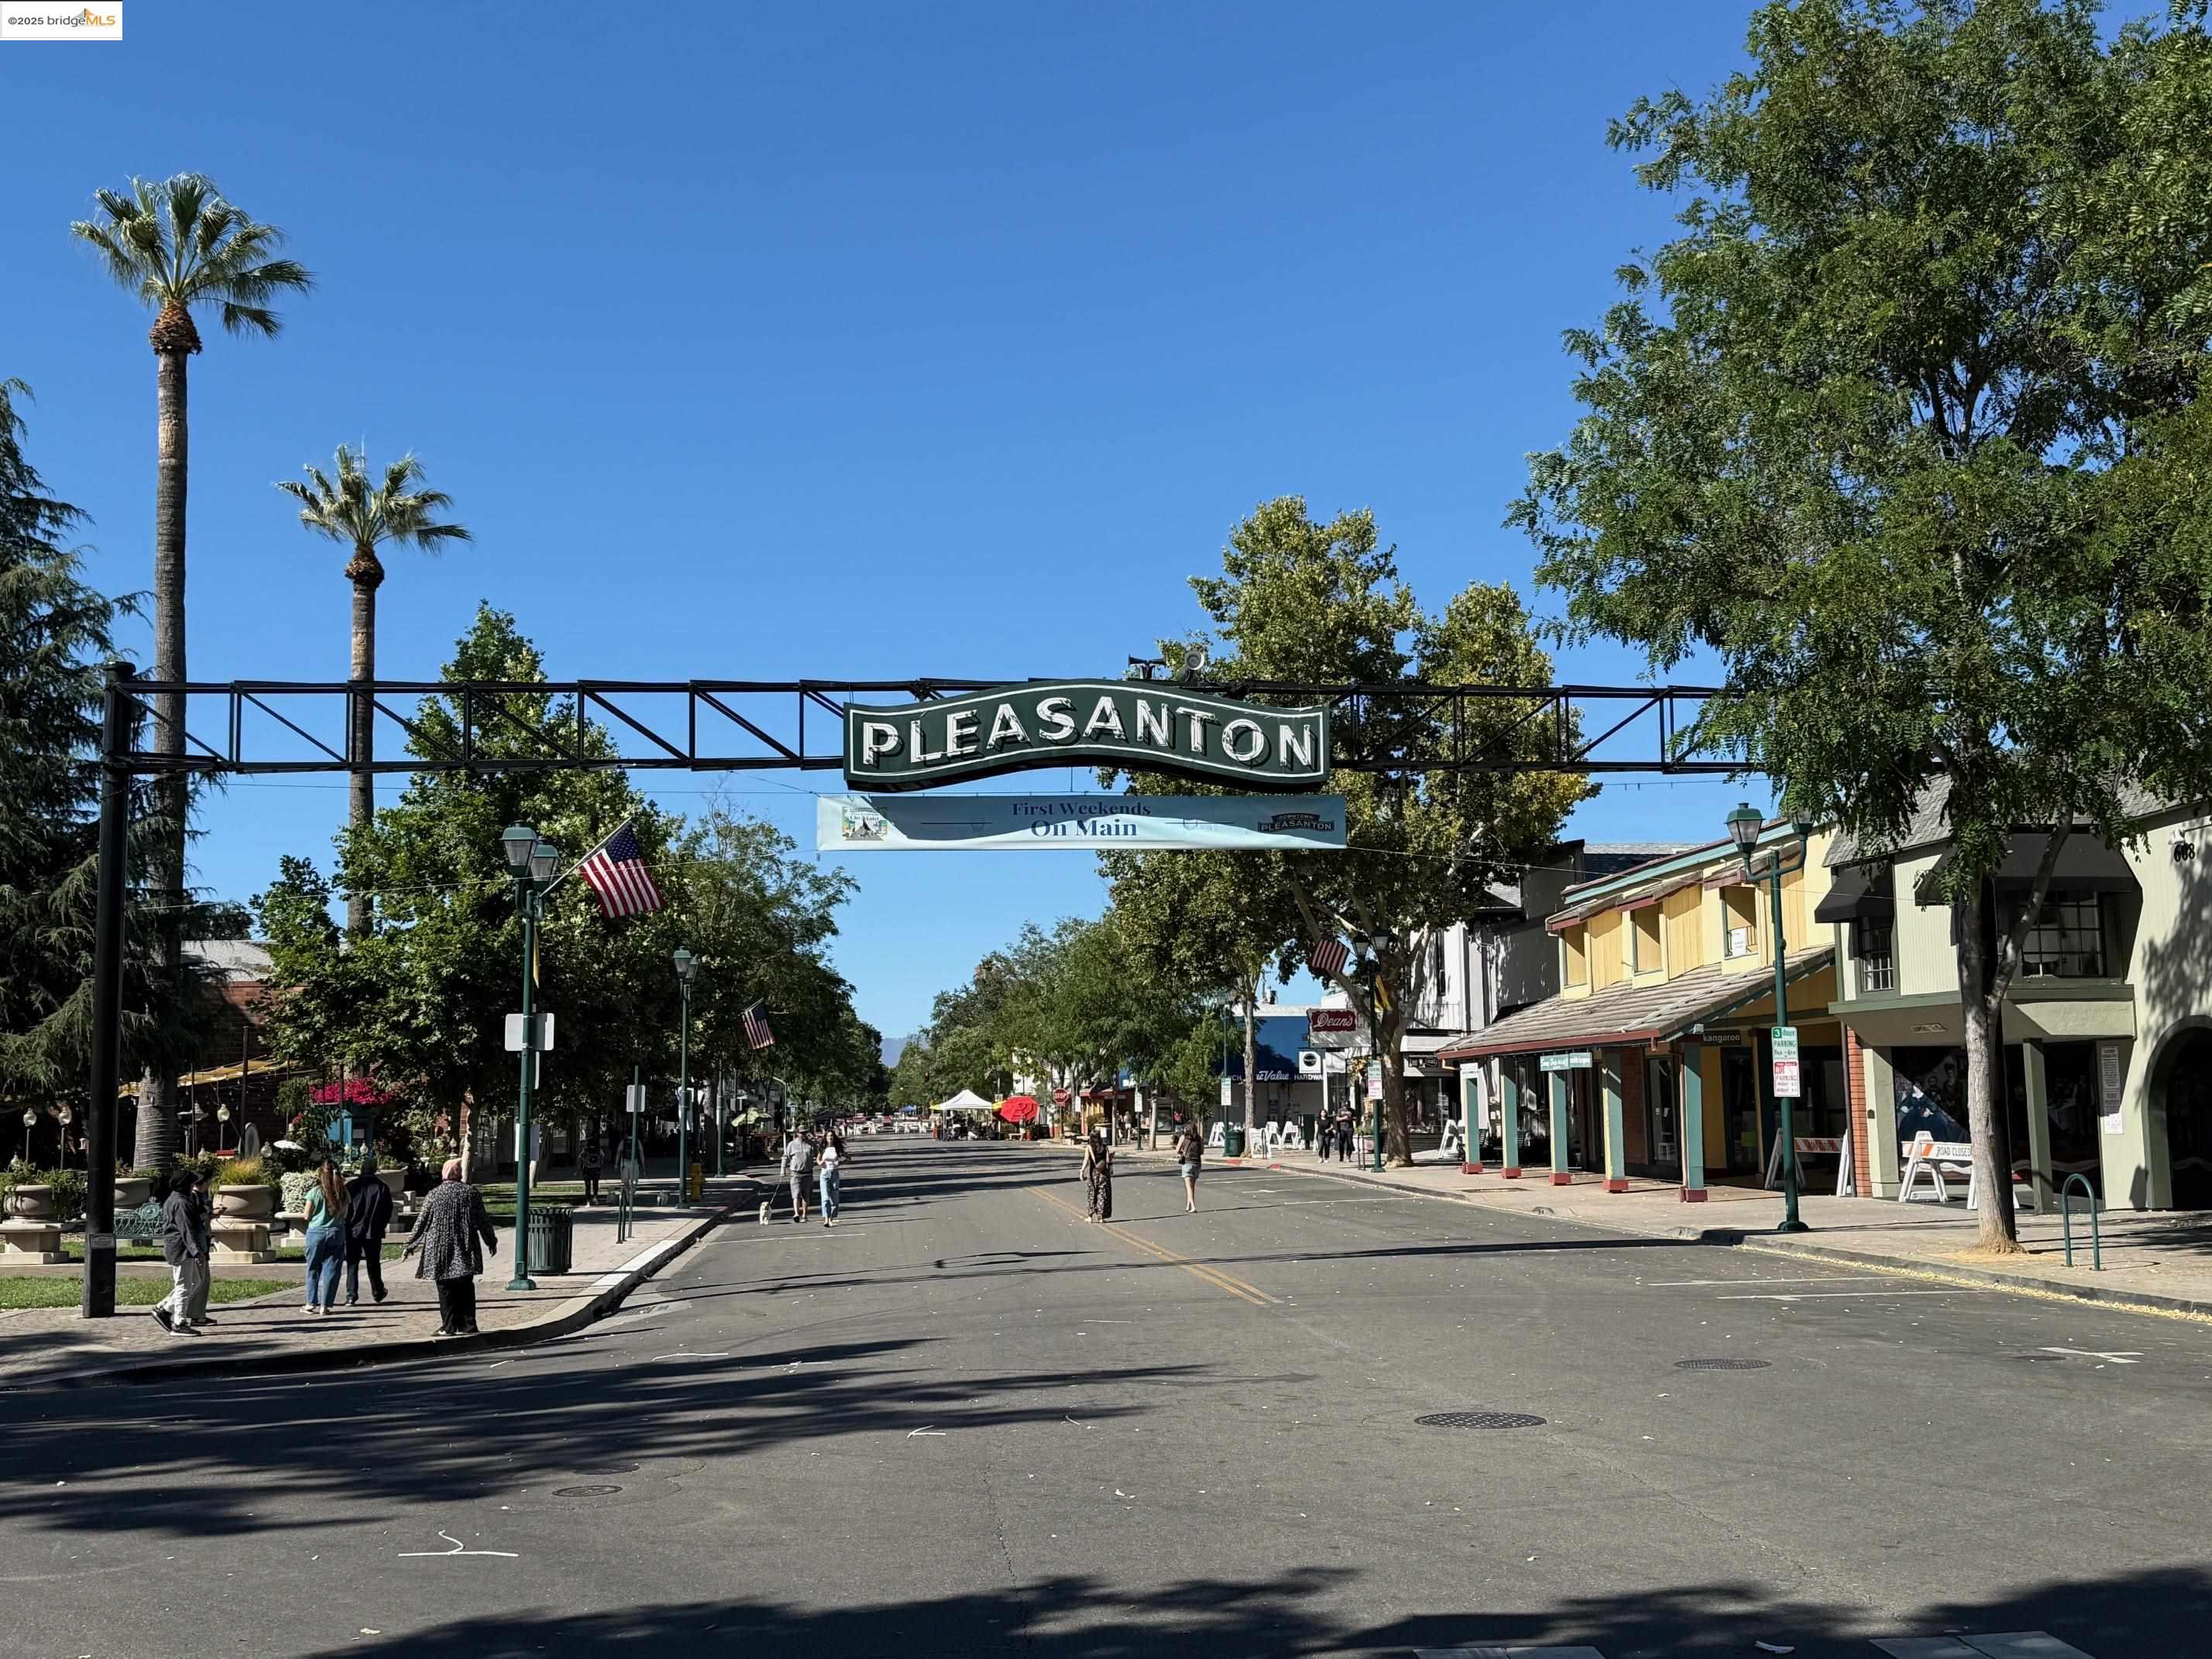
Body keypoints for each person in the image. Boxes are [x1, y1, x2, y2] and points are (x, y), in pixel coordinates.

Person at [402, 1157, 498, 1336]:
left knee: (445, 1287)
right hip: (464, 1244)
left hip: (440, 1247)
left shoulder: (434, 1194)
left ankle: (449, 1326)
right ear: (459, 1173)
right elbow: (482, 1220)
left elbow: (422, 1222)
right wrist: (490, 1240)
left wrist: (410, 1245)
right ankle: (469, 1325)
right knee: (465, 1286)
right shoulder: (470, 1193)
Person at [149, 1167, 208, 1336]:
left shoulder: (176, 1199)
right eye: (191, 1183)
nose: (193, 1186)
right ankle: (179, 1323)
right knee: (183, 1286)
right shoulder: (181, 1203)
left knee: (195, 1282)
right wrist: (197, 1251)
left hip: (181, 1248)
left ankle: (165, 1310)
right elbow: (186, 1230)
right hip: (181, 1249)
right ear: (185, 1185)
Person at [343, 1155, 394, 1307]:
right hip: (373, 1230)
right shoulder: (382, 1187)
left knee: (352, 1263)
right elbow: (388, 1210)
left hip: (353, 1230)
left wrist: (347, 1223)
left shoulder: (351, 1185)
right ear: (375, 1169)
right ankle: (377, 1292)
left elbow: (345, 1208)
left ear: (362, 1169)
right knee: (373, 1263)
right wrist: (381, 1225)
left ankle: (351, 1295)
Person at [301, 1156, 348, 1315]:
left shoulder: (315, 1192)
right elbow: (345, 1214)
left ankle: (310, 1303)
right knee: (332, 1270)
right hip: (337, 1231)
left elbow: (307, 1215)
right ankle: (325, 1305)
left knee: (313, 1268)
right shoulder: (343, 1192)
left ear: (322, 1173)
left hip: (316, 1232)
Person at [1080, 1128, 1114, 1222]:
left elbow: (1086, 1160)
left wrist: (1082, 1171)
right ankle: (1100, 1217)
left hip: (1093, 1174)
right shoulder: (1105, 1147)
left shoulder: (1089, 1148)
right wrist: (1111, 1171)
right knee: (1102, 1195)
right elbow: (1108, 1161)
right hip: (1104, 1174)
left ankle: (1090, 1217)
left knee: (1092, 1194)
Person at [782, 1129, 815, 1223]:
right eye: (802, 1133)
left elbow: (819, 1154)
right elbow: (786, 1157)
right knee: (796, 1194)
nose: (804, 1134)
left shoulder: (811, 1144)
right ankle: (796, 1214)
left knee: (806, 1195)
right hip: (796, 1173)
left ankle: (804, 1215)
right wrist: (783, 1169)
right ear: (797, 1134)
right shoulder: (791, 1144)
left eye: (805, 1132)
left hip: (808, 1173)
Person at [1175, 1121, 1204, 1214]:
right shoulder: (1199, 1138)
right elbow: (1202, 1152)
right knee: (1192, 1186)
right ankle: (1188, 1205)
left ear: (1186, 1129)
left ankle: (1193, 1207)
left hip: (1187, 1163)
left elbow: (1177, 1150)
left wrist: (1183, 1153)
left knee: (1188, 1187)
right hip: (1197, 1163)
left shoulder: (1183, 1137)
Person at [818, 1132, 842, 1229]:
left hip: (834, 1173)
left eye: (831, 1136)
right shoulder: (823, 1148)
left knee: (834, 1198)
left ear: (834, 1137)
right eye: (828, 1136)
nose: (830, 1138)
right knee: (825, 1198)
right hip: (824, 1174)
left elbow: (848, 1158)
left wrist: (839, 1164)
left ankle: (831, 1218)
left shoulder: (837, 1148)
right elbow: (818, 1160)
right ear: (826, 1138)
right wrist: (821, 1163)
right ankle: (826, 1219)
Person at [579, 1133, 603, 1205]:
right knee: (595, 1184)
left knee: (588, 1185)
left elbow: (580, 1157)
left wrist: (586, 1161)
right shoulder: (598, 1150)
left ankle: (588, 1201)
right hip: (596, 1168)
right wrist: (600, 1163)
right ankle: (595, 1198)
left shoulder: (585, 1150)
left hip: (587, 1169)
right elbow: (603, 1156)